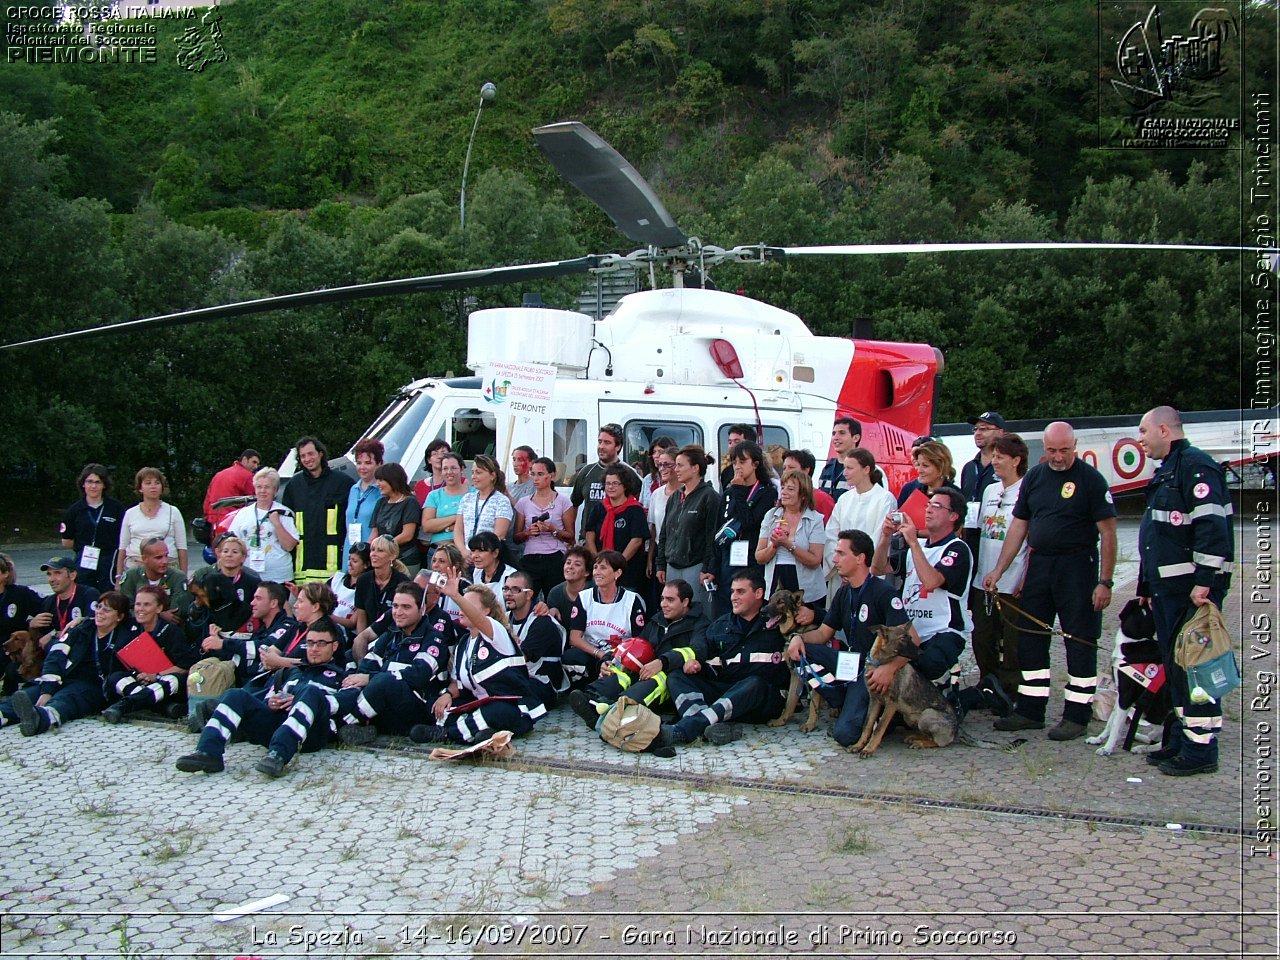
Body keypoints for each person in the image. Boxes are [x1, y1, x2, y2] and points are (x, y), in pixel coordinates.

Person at [985, 422, 1117, 740]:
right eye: (1051, 451)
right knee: (1031, 638)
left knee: (1079, 640)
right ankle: (1031, 709)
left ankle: (1077, 714)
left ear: (1075, 446)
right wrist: (999, 570)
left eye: (1064, 450)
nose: (1057, 457)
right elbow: (1019, 526)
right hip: (1041, 565)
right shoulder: (1035, 477)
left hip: (1078, 567)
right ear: (1043, 448)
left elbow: (1109, 533)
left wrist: (1106, 582)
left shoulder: (1091, 480)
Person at [1137, 405, 1234, 776]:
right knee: (1176, 668)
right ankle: (1180, 738)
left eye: (1144, 431)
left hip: (1190, 592)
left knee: (1196, 669)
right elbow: (1157, 534)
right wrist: (1146, 583)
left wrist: (1205, 581)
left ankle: (1202, 751)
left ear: (1165, 430)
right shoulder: (1170, 471)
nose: (1140, 440)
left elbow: (1212, 529)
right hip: (1167, 590)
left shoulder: (1196, 467)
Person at [176, 616, 350, 776]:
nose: (314, 649)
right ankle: (208, 753)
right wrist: (270, 702)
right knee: (236, 695)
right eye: (310, 643)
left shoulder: (342, 674)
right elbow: (267, 697)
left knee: (311, 692)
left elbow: (349, 702)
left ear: (334, 646)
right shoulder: (292, 672)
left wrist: (301, 701)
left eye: (321, 643)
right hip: (277, 724)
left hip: (311, 733)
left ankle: (278, 754)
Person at [787, 530, 910, 747]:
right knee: (798, 653)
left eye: (841, 553)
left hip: (871, 671)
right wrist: (798, 637)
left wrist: (889, 669)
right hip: (849, 663)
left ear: (860, 558)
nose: (834, 559)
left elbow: (912, 641)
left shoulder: (883, 592)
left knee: (844, 735)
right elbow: (824, 633)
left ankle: (886, 716)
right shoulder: (844, 593)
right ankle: (846, 701)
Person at [656, 570, 788, 749]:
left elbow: (818, 619)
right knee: (677, 675)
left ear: (758, 593)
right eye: (732, 591)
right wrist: (695, 665)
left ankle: (688, 727)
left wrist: (798, 635)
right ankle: (708, 725)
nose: (733, 597)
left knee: (754, 683)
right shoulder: (720, 624)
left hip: (759, 701)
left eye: (741, 592)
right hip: (724, 698)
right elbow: (705, 659)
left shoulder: (778, 622)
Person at [409, 578, 547, 745]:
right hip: (478, 704)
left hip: (512, 707)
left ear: (487, 611)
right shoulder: (464, 643)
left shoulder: (496, 632)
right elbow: (457, 683)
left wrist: (455, 595)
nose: (462, 609)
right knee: (436, 705)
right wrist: (447, 694)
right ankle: (483, 733)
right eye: (461, 605)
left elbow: (479, 621)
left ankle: (446, 734)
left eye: (468, 605)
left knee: (497, 711)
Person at [318, 581, 452, 750]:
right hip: (384, 705)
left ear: (421, 609)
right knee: (350, 659)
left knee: (384, 681)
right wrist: (360, 679)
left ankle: (335, 727)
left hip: (417, 709)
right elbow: (368, 663)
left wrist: (370, 678)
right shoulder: (393, 633)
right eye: (395, 606)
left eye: (406, 607)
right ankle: (351, 721)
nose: (398, 612)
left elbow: (418, 675)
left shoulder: (434, 639)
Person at [870, 486, 973, 702]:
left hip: (944, 630)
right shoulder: (915, 549)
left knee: (925, 667)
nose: (928, 510)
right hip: (914, 631)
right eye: (928, 505)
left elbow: (932, 581)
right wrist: (885, 537)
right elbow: (878, 569)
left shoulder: (957, 549)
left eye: (936, 506)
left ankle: (961, 694)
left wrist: (914, 542)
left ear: (953, 516)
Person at [567, 577, 708, 725]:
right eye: (662, 599)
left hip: (675, 678)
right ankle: (594, 699)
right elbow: (634, 645)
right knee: (623, 670)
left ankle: (616, 710)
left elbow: (698, 650)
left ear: (685, 602)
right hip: (649, 669)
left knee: (659, 679)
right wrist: (608, 660)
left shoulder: (699, 623)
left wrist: (662, 662)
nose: (663, 604)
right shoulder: (657, 620)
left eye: (670, 600)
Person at [961, 433, 1029, 715]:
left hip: (1012, 578)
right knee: (982, 636)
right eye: (994, 456)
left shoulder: (1026, 490)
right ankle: (988, 682)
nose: (994, 462)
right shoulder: (990, 490)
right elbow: (976, 532)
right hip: (983, 577)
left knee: (1012, 640)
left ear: (1016, 460)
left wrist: (1026, 575)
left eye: (1000, 457)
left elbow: (1031, 537)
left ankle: (1011, 691)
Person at [0, 591, 131, 735]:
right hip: (65, 678)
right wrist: (47, 691)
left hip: (92, 687)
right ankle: (3, 715)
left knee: (64, 699)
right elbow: (56, 657)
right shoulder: (81, 629)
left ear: (119, 616)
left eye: (106, 610)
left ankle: (39, 720)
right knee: (30, 694)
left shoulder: (126, 637)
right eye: (99, 607)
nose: (99, 612)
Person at [101, 585, 198, 723]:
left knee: (174, 680)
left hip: (164, 681)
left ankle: (123, 706)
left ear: (159, 608)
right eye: (138, 604)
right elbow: (103, 621)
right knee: (115, 677)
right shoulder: (130, 627)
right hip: (140, 682)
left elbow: (185, 666)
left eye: (146, 605)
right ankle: (162, 707)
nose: (140, 609)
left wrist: (156, 676)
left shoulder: (171, 631)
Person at [708, 440, 777, 618]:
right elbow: (717, 529)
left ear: (755, 464)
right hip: (728, 558)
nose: (737, 467)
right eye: (734, 462)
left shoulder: (767, 492)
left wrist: (738, 490)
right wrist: (711, 567)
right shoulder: (729, 492)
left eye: (742, 462)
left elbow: (750, 522)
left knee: (747, 608)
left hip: (751, 558)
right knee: (724, 608)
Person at [564, 551, 646, 689]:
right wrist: (601, 655)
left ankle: (602, 691)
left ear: (617, 573)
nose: (597, 572)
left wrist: (615, 658)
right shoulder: (584, 597)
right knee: (571, 657)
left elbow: (640, 640)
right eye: (595, 567)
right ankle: (585, 688)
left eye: (603, 568)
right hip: (593, 653)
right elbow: (574, 638)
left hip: (622, 655)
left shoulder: (632, 600)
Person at [281, 436, 355, 584]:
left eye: (311, 454)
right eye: (303, 456)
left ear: (321, 454)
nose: (307, 459)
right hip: (303, 567)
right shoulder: (294, 485)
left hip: (333, 567)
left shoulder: (342, 482)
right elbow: (286, 522)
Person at [656, 444, 720, 614]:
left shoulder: (710, 497)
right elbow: (664, 534)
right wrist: (661, 564)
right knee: (673, 612)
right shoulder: (675, 497)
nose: (675, 469)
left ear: (695, 468)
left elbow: (712, 537)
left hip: (696, 566)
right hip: (672, 566)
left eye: (680, 465)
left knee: (695, 612)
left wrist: (708, 568)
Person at [756, 469, 827, 618]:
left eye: (790, 489)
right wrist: (774, 545)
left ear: (803, 495)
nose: (784, 492)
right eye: (782, 487)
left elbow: (815, 560)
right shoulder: (771, 516)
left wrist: (788, 544)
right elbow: (759, 557)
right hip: (776, 581)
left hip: (806, 586)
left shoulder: (814, 519)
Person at [200, 580, 299, 686]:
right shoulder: (263, 629)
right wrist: (216, 647)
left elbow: (263, 647)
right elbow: (241, 655)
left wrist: (223, 643)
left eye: (258, 598)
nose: (252, 603)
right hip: (249, 683)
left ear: (273, 603)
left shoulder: (287, 626)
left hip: (267, 687)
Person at [824, 448, 897, 587]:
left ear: (866, 469)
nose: (845, 473)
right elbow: (831, 534)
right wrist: (842, 566)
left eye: (850, 468)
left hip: (869, 574)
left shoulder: (884, 499)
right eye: (844, 468)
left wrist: (857, 570)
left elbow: (880, 537)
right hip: (842, 575)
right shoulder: (844, 499)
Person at [502, 570, 568, 710]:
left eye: (516, 590)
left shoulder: (541, 622)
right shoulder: (505, 618)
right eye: (506, 589)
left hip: (542, 685)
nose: (508, 593)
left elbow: (521, 657)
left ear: (529, 594)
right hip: (519, 679)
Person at [514, 456, 575, 600]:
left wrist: (553, 530)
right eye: (533, 474)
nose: (535, 478)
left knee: (554, 599)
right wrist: (528, 533)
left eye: (540, 474)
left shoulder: (563, 501)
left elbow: (571, 536)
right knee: (526, 600)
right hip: (531, 557)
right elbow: (516, 537)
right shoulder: (524, 503)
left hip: (555, 556)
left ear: (552, 476)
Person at [583, 464, 649, 595]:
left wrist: (617, 564)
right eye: (607, 484)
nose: (610, 487)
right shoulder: (599, 508)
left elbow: (636, 540)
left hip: (628, 572)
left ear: (624, 485)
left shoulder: (635, 510)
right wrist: (597, 558)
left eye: (615, 483)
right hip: (601, 569)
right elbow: (589, 532)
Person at [227, 467, 299, 584]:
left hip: (278, 577)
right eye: (259, 487)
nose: (262, 491)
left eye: (267, 487)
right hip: (249, 575)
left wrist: (277, 523)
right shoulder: (243, 514)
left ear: (275, 491)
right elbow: (232, 542)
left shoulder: (284, 513)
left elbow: (289, 546)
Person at [60, 463, 124, 592]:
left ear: (104, 485)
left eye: (98, 482)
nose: (93, 486)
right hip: (84, 559)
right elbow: (66, 541)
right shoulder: (74, 510)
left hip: (109, 560)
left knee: (108, 597)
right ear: (83, 484)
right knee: (85, 595)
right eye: (89, 482)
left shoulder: (116, 508)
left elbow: (124, 537)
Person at [116, 467, 189, 579]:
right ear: (140, 488)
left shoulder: (173, 511)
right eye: (148, 483)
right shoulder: (130, 513)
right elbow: (122, 548)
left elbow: (182, 548)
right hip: (135, 567)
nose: (153, 486)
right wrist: (119, 577)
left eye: (157, 483)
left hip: (168, 567)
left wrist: (183, 578)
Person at [570, 423, 639, 534]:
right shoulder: (586, 472)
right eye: (600, 441)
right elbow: (573, 505)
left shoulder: (630, 473)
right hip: (588, 540)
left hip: (618, 540)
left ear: (618, 446)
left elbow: (640, 507)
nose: (601, 446)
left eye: (607, 443)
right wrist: (572, 536)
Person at [454, 454, 513, 567]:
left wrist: (479, 554)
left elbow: (499, 535)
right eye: (473, 472)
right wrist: (463, 551)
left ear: (492, 476)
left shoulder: (501, 501)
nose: (474, 476)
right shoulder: (467, 498)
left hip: (488, 561)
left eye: (479, 472)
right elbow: (458, 530)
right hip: (466, 558)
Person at [30, 557, 100, 649]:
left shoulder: (89, 594)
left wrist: (55, 634)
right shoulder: (49, 602)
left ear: (72, 575)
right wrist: (32, 625)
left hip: (84, 652)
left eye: (57, 573)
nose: (51, 579)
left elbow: (93, 624)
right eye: (49, 574)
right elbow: (42, 638)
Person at [960, 412, 1007, 549]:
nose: (978, 433)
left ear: (1000, 432)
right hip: (970, 536)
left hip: (996, 537)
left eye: (984, 429)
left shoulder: (1006, 466)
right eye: (976, 429)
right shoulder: (969, 467)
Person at [118, 538, 190, 622]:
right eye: (158, 558)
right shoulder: (131, 576)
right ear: (145, 559)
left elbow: (176, 614)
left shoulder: (178, 577)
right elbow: (125, 609)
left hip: (168, 630)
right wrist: (159, 615)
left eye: (166, 556)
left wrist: (145, 614)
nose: (165, 561)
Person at [353, 535, 411, 638]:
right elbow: (361, 615)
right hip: (368, 636)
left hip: (392, 637)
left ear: (392, 556)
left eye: (380, 551)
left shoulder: (403, 582)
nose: (373, 554)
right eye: (372, 550)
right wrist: (361, 639)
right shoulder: (363, 580)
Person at [0, 553, 42, 694]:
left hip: (12, 651)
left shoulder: (19, 594)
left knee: (12, 670)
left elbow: (47, 607)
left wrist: (33, 622)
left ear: (5, 574)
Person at [371, 462, 421, 574]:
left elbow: (407, 535)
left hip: (405, 559)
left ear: (393, 480)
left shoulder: (410, 502)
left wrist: (384, 547)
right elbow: (374, 532)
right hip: (382, 559)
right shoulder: (381, 503)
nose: (378, 484)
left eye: (381, 480)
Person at [344, 438, 385, 570]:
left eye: (368, 463)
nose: (362, 467)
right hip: (350, 552)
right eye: (359, 462)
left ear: (379, 464)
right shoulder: (353, 489)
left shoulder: (382, 491)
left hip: (369, 555)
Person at [645, 446, 681, 584]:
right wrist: (650, 558)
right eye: (660, 465)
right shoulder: (656, 494)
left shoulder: (687, 493)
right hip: (661, 553)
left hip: (681, 553)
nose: (662, 469)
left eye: (667, 465)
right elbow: (654, 529)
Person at [202, 449, 260, 530]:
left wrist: (207, 516)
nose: (256, 467)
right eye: (254, 462)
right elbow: (258, 498)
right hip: (230, 519)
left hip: (213, 519)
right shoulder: (247, 476)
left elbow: (207, 499)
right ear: (245, 460)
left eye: (257, 464)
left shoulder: (219, 474)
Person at [544, 545, 592, 628]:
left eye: (577, 564)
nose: (570, 567)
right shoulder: (555, 593)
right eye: (568, 562)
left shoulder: (595, 590)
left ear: (587, 572)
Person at [817, 417, 862, 501]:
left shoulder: (864, 469)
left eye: (842, 433)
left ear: (855, 438)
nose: (836, 437)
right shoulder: (827, 468)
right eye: (834, 433)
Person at [783, 449, 834, 524]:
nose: (786, 472)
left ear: (806, 470)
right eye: (784, 468)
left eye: (791, 468)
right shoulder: (783, 496)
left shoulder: (822, 499)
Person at [330, 541, 370, 632]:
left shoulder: (367, 589)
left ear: (366, 565)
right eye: (349, 559)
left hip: (344, 633)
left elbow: (352, 622)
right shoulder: (337, 579)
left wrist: (328, 616)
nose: (349, 563)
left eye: (354, 561)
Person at [468, 531, 518, 596]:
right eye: (473, 551)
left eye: (481, 551)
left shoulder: (510, 576)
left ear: (495, 553)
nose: (475, 555)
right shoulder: (477, 572)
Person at [639, 435, 677, 510]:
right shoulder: (648, 479)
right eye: (654, 452)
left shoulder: (679, 478)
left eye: (660, 451)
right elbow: (642, 505)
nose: (656, 456)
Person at [413, 438, 455, 505]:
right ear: (429, 460)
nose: (440, 456)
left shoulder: (458, 482)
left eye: (443, 452)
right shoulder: (420, 486)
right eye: (435, 454)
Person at [718, 424, 758, 490]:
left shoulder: (765, 472)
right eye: (730, 442)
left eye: (736, 442)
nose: (731, 446)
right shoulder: (726, 473)